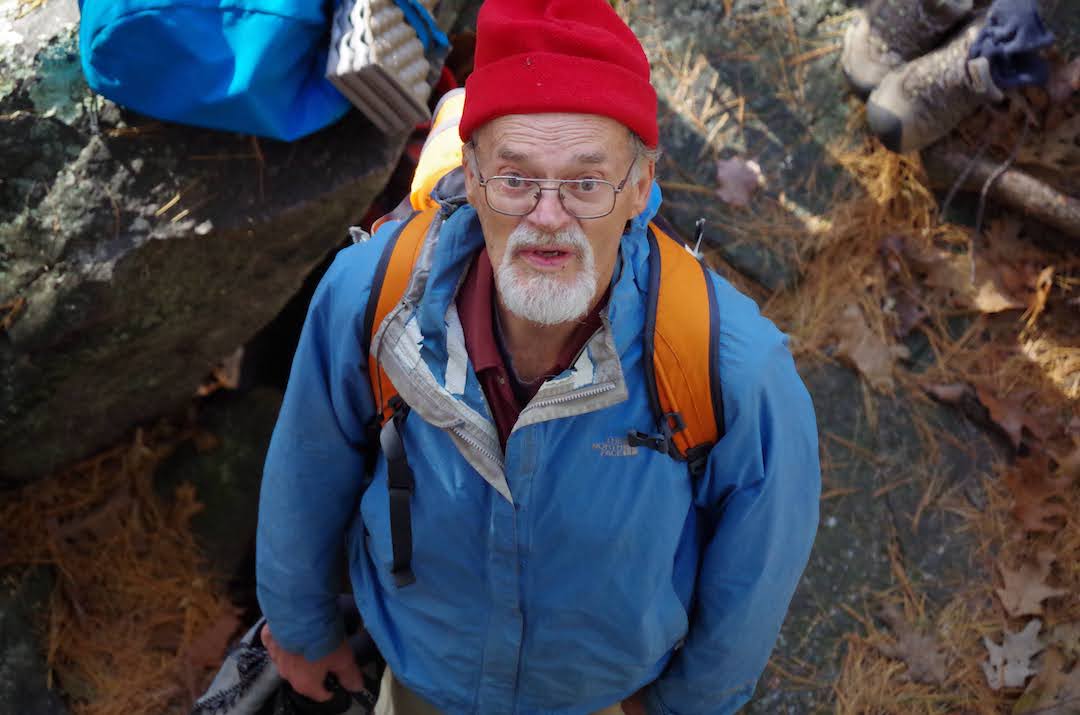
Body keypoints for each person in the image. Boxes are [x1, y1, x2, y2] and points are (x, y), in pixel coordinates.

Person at [255, 1, 821, 713]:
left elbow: (753, 583)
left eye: (585, 182)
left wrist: (687, 707)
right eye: (517, 177)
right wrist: (302, 629)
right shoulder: (370, 299)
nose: (547, 218)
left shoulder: (735, 373)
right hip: (425, 680)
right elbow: (307, 470)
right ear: (471, 173)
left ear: (639, 188)